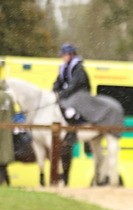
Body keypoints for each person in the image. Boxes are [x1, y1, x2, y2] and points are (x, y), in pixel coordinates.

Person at [52, 43, 90, 182]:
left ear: (71, 54)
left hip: (80, 96)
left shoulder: (79, 68)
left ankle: (72, 133)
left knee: (70, 113)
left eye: (64, 54)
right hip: (69, 97)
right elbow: (58, 82)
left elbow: (74, 85)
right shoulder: (64, 68)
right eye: (62, 55)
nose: (63, 57)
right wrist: (55, 91)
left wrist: (62, 94)